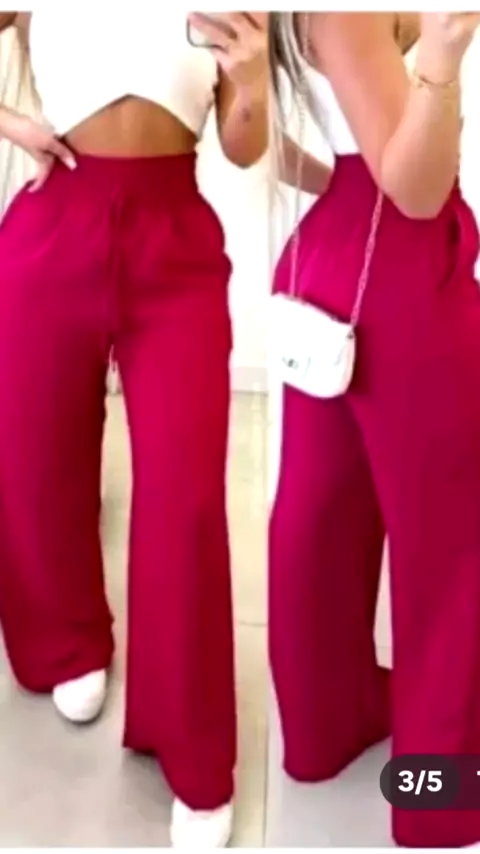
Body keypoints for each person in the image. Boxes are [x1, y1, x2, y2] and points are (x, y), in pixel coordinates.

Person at [0, 10, 267, 848]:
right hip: (56, 221)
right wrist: (15, 126)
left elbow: (245, 147)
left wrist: (252, 80)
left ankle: (194, 748)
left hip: (173, 239)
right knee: (35, 458)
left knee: (186, 503)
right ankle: (67, 641)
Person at [269, 11, 480, 848]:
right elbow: (417, 189)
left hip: (334, 257)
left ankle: (326, 727)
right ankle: (441, 797)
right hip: (400, 273)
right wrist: (442, 56)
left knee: (322, 516)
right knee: (451, 547)